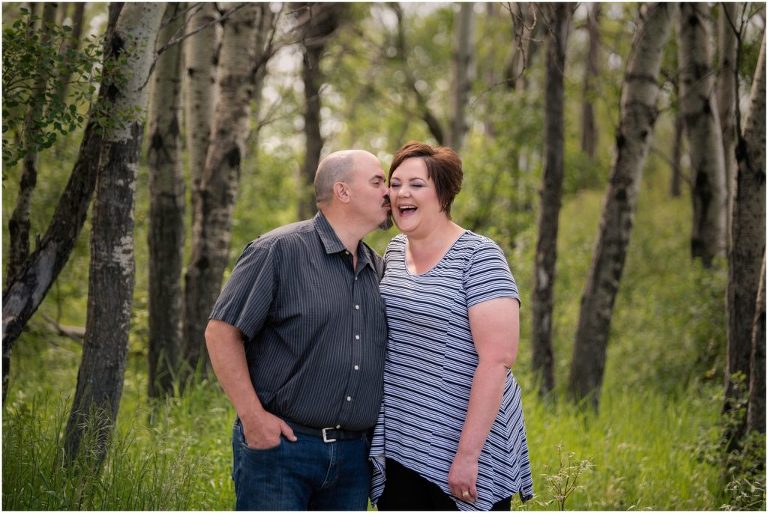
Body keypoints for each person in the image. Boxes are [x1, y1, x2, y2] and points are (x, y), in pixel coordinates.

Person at [205, 149, 391, 511]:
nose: (389, 191)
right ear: (343, 191)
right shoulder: (277, 251)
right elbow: (221, 332)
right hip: (282, 452)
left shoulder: (379, 270)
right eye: (378, 181)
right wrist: (252, 417)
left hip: (353, 460)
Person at [369, 142, 534, 511]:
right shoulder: (394, 251)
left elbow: (497, 360)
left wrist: (467, 455)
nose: (402, 194)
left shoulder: (479, 256)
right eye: (395, 184)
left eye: (416, 184)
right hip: (401, 438)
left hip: (464, 442)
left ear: (443, 194)